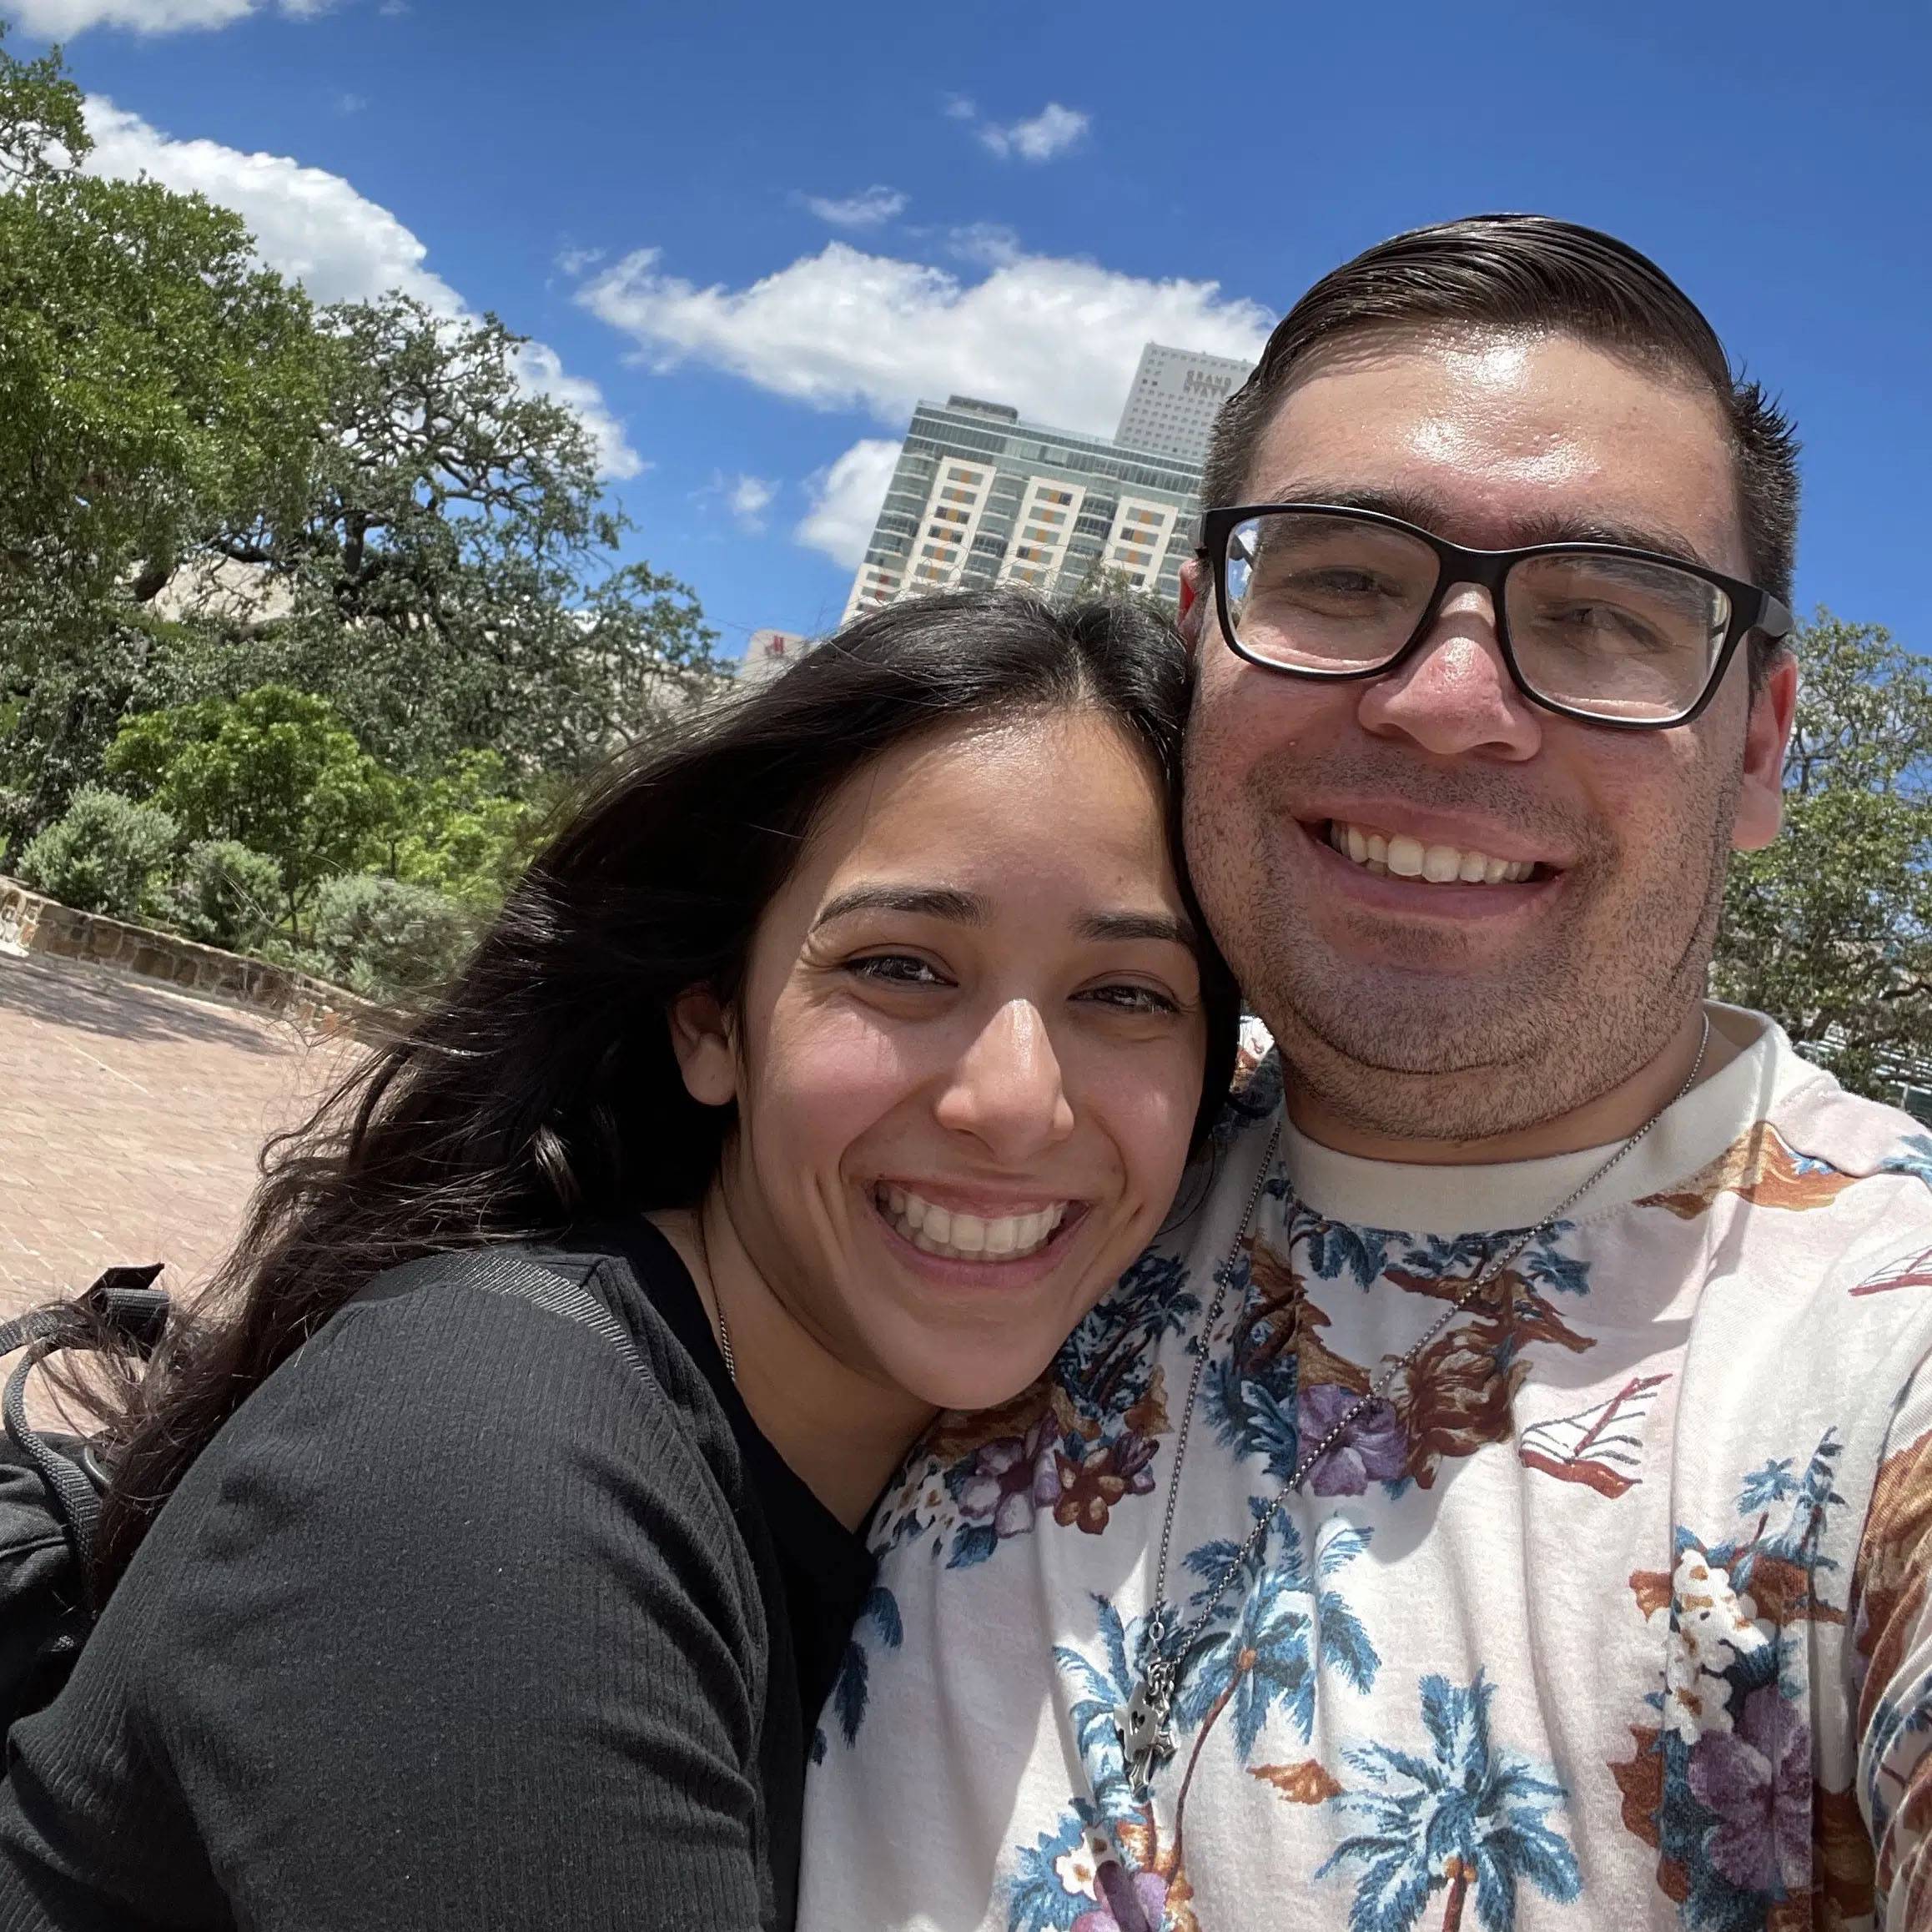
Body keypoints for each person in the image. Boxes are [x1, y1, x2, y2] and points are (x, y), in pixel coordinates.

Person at [799, 216, 1932, 1932]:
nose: (1450, 697)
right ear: (1202, 648)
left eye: (1610, 616)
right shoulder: (1011, 1185)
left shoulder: (1885, 1341)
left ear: (1761, 743)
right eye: (1340, 579)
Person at [0, 591, 1240, 1932]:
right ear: (713, 1022)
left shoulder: (910, 1530)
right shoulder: (484, 1460)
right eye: (899, 967)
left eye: (1126, 995)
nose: (1014, 1101)